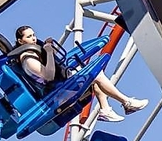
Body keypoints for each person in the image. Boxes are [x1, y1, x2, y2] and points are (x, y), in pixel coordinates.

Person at [12, 25, 147, 124]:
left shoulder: (34, 53)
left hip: (61, 86)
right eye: (29, 37)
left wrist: (49, 51)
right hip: (57, 94)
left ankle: (106, 109)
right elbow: (49, 76)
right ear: (20, 41)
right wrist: (48, 52)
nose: (34, 39)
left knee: (94, 75)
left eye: (33, 35)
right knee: (95, 75)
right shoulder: (28, 59)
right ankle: (126, 103)